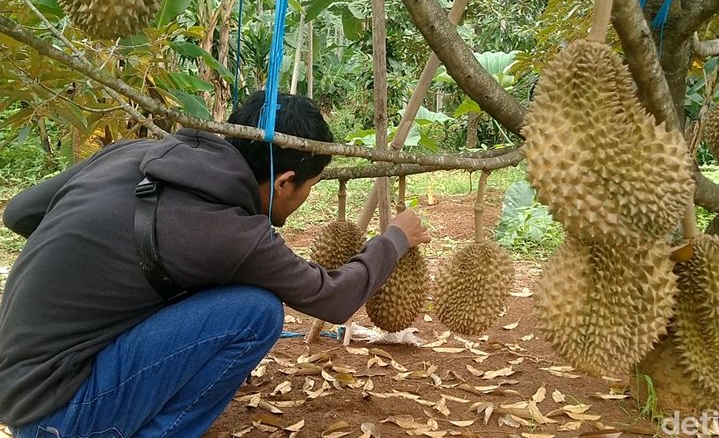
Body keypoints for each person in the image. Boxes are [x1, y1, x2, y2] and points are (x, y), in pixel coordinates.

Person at [0, 92, 430, 437]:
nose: (307, 198)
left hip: (21, 382)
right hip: (60, 414)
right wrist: (394, 239)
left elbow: (18, 213)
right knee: (256, 312)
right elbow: (335, 299)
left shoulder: (133, 154)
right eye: (310, 187)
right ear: (284, 182)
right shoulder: (230, 234)